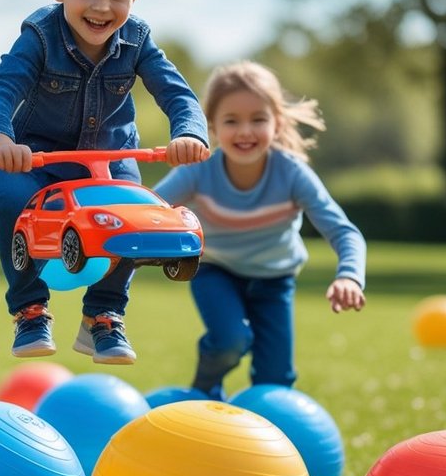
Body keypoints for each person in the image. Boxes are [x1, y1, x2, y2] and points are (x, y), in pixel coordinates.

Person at [0, 0, 210, 365]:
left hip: (110, 158)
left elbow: (178, 94)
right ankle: (29, 309)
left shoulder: (138, 40)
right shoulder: (40, 36)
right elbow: (0, 89)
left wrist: (190, 133)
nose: (102, 7)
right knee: (10, 198)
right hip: (38, 158)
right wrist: (0, 139)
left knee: (135, 213)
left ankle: (103, 316)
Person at [154, 61, 366, 397]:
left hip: (274, 280)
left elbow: (343, 231)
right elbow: (150, 210)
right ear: (212, 126)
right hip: (215, 271)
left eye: (258, 119)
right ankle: (204, 393)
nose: (245, 131)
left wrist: (350, 276)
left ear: (277, 122)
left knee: (276, 380)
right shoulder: (198, 171)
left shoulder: (292, 174)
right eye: (231, 121)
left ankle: (264, 423)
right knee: (230, 341)